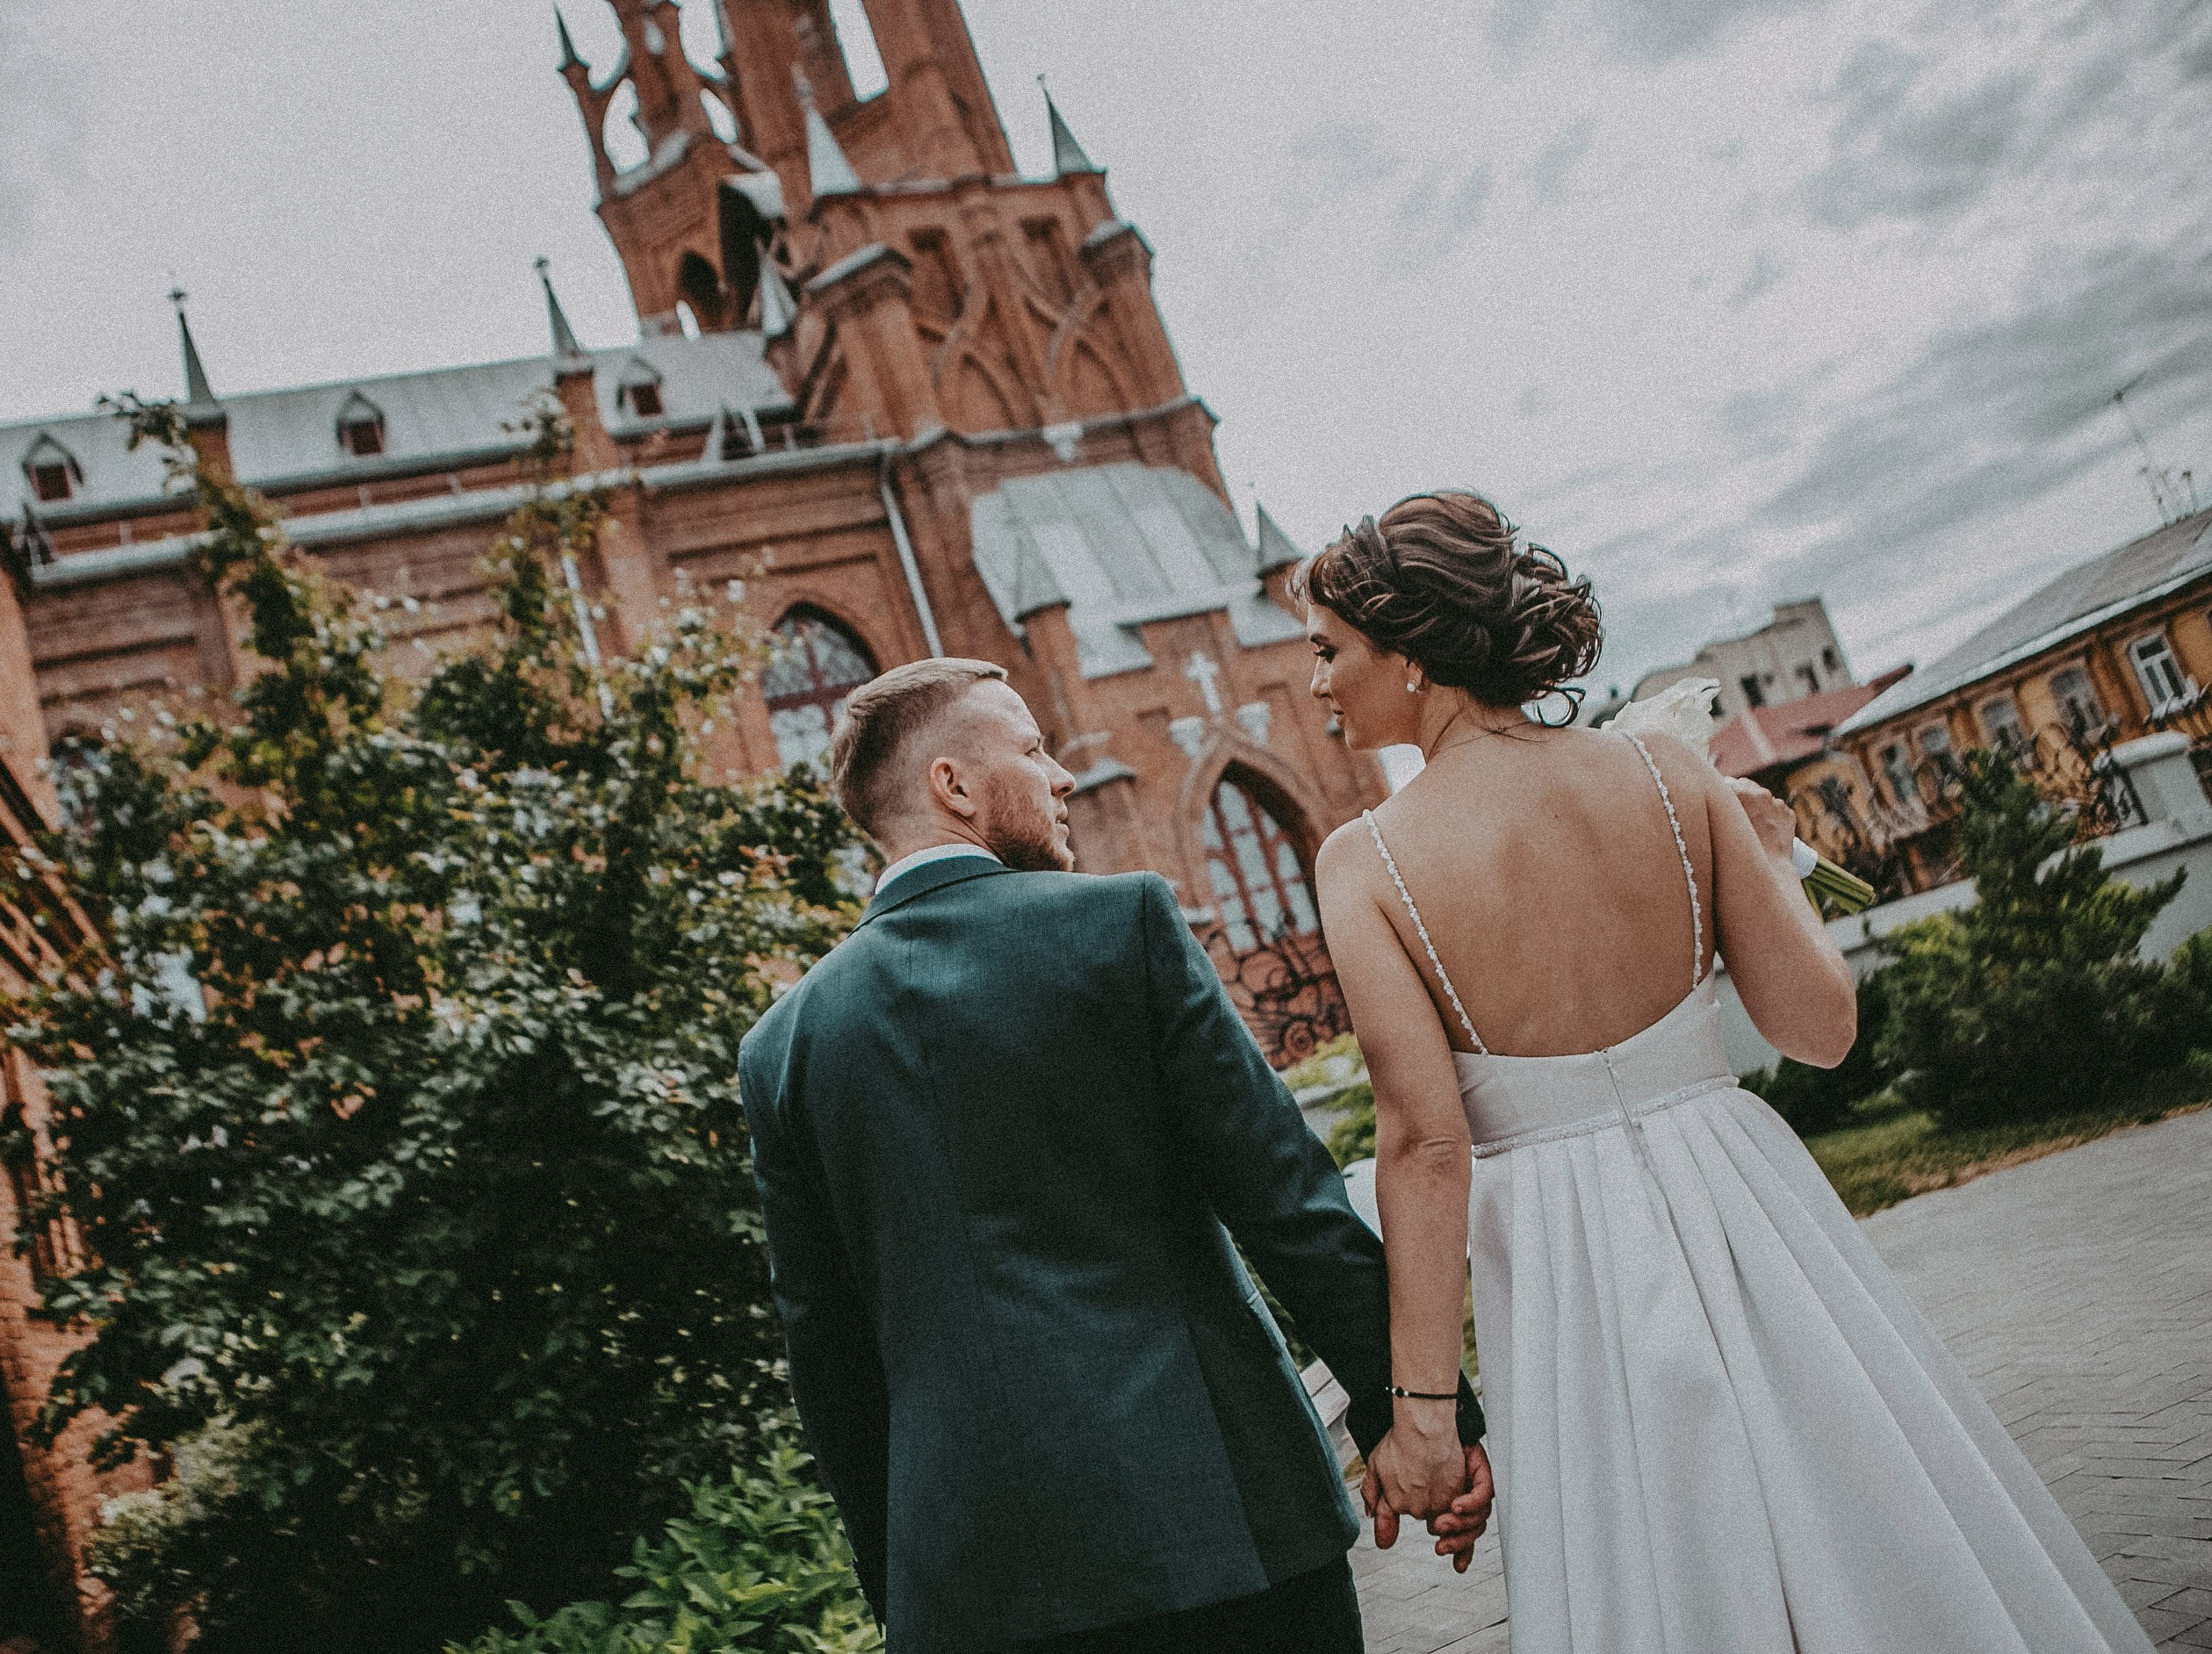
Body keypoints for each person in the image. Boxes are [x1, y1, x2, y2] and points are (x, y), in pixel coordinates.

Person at [1299, 491, 2157, 1653]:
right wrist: (1766, 854)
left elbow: (1426, 1142)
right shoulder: (1667, 775)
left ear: (1407, 654)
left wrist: (1426, 1422)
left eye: (1328, 649)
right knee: (1863, 1515)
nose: (1315, 683)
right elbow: (1821, 1028)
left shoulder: (1365, 863)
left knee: (1662, 1572)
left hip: (1566, 1272)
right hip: (1749, 1213)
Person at [736, 658, 1492, 1654]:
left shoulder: (783, 1046)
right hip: (1220, 1519)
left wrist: (903, 1590)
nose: (1062, 779)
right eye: (1033, 749)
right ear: (952, 785)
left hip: (971, 1583)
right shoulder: (1119, 923)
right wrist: (1427, 1423)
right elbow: (1285, 1200)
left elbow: (825, 1353)